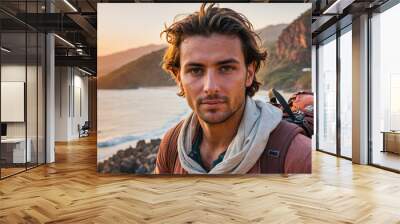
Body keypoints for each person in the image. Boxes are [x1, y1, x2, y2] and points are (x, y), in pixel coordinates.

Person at [155, 3, 311, 174]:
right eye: (195, 70)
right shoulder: (173, 144)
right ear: (178, 78)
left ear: (249, 73)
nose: (210, 87)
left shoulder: (298, 155)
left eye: (226, 68)